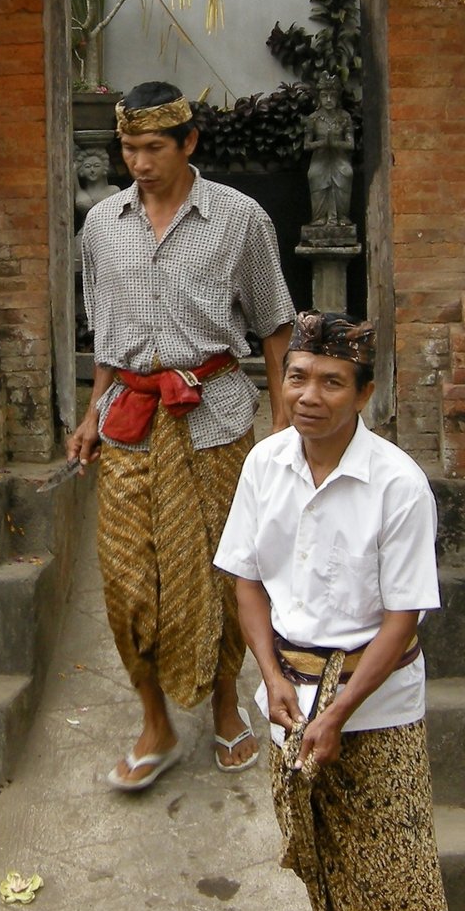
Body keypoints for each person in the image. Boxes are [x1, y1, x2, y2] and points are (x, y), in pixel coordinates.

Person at [216, 309, 457, 911]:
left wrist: (340, 707)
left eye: (329, 382)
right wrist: (271, 674)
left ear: (364, 394)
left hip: (376, 702)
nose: (308, 395)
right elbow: (246, 577)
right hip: (291, 696)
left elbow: (403, 618)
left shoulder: (396, 482)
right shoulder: (264, 465)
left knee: (402, 866)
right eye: (297, 377)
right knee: (319, 862)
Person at [68, 80, 295, 789]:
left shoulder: (239, 219)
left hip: (217, 420)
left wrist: (283, 425)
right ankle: (155, 721)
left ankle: (226, 705)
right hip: (130, 423)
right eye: (128, 147)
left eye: (152, 147)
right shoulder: (101, 224)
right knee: (127, 580)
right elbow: (105, 334)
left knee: (224, 572)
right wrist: (90, 412)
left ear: (189, 143)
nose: (137, 161)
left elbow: (277, 325)